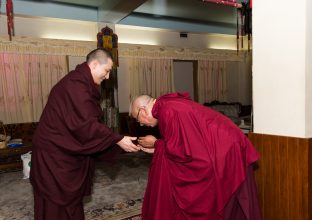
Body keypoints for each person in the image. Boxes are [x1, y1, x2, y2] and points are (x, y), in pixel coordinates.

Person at [30, 48, 140, 220]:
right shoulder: (75, 85)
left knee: (70, 203)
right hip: (53, 155)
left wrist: (115, 139)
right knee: (56, 202)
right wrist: (116, 139)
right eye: (107, 70)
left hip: (62, 149)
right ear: (94, 64)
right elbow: (85, 125)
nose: (108, 76)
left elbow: (85, 122)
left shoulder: (81, 83)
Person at [130, 92, 262, 220]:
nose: (141, 124)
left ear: (142, 111)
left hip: (226, 149)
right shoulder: (167, 105)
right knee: (230, 204)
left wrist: (156, 143)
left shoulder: (167, 110)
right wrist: (157, 149)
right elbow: (183, 144)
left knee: (214, 197)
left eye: (138, 120)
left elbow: (185, 153)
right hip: (229, 144)